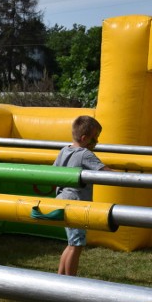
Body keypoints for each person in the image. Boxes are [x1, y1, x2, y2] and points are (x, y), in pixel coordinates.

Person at [53, 115, 112, 276]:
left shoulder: (64, 150)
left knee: (72, 243)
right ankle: (70, 281)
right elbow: (104, 172)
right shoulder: (85, 154)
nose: (97, 142)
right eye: (96, 137)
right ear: (85, 138)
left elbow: (53, 172)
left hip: (62, 200)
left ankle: (60, 279)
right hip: (76, 203)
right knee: (76, 245)